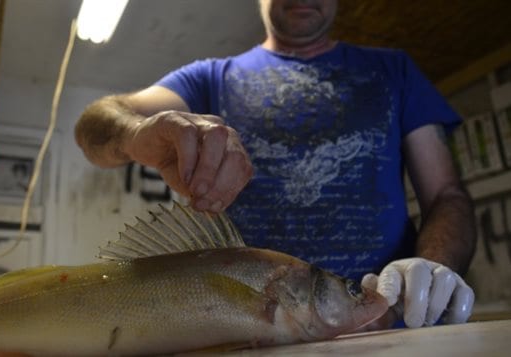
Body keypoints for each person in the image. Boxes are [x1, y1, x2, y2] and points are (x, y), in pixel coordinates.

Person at [74, 0, 476, 329]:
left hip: (391, 325)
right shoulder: (208, 78)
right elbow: (96, 124)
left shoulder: (394, 72)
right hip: (248, 332)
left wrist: (435, 266)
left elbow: (446, 194)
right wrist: (134, 133)